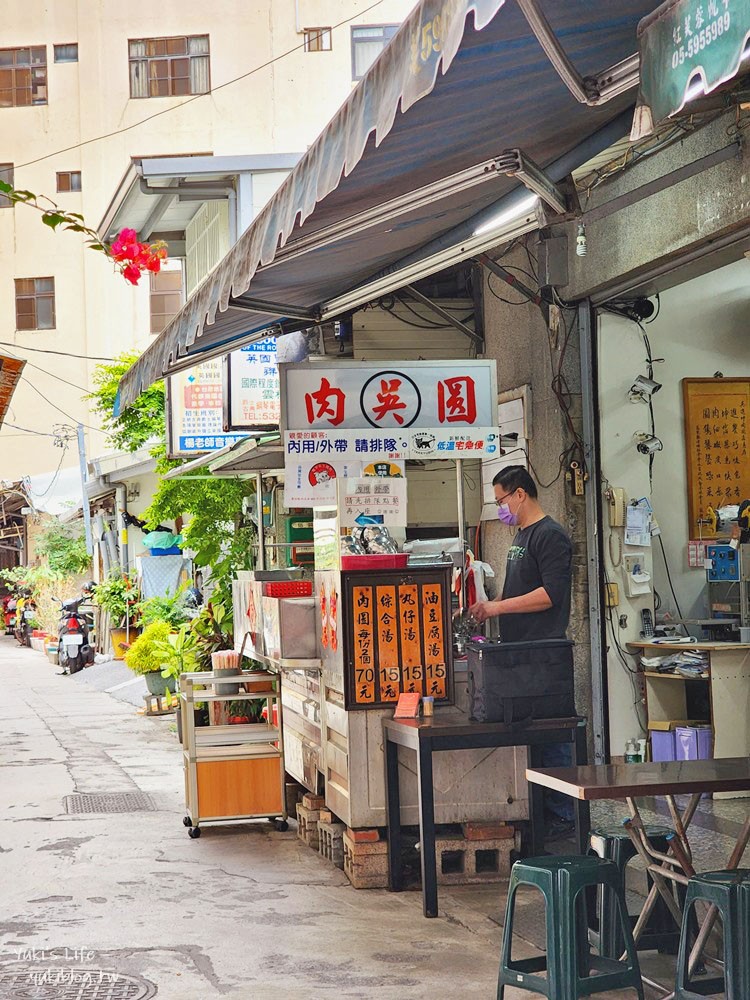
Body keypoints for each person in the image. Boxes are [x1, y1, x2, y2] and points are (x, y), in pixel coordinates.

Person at [469, 465, 575, 840]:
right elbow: (517, 591)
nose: (501, 509)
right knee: (533, 737)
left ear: (520, 494)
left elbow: (550, 595)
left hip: (544, 656)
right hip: (521, 654)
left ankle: (565, 818)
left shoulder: (551, 536)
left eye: (501, 500)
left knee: (553, 737)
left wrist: (498, 609)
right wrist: (488, 605)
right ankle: (543, 815)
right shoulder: (520, 537)